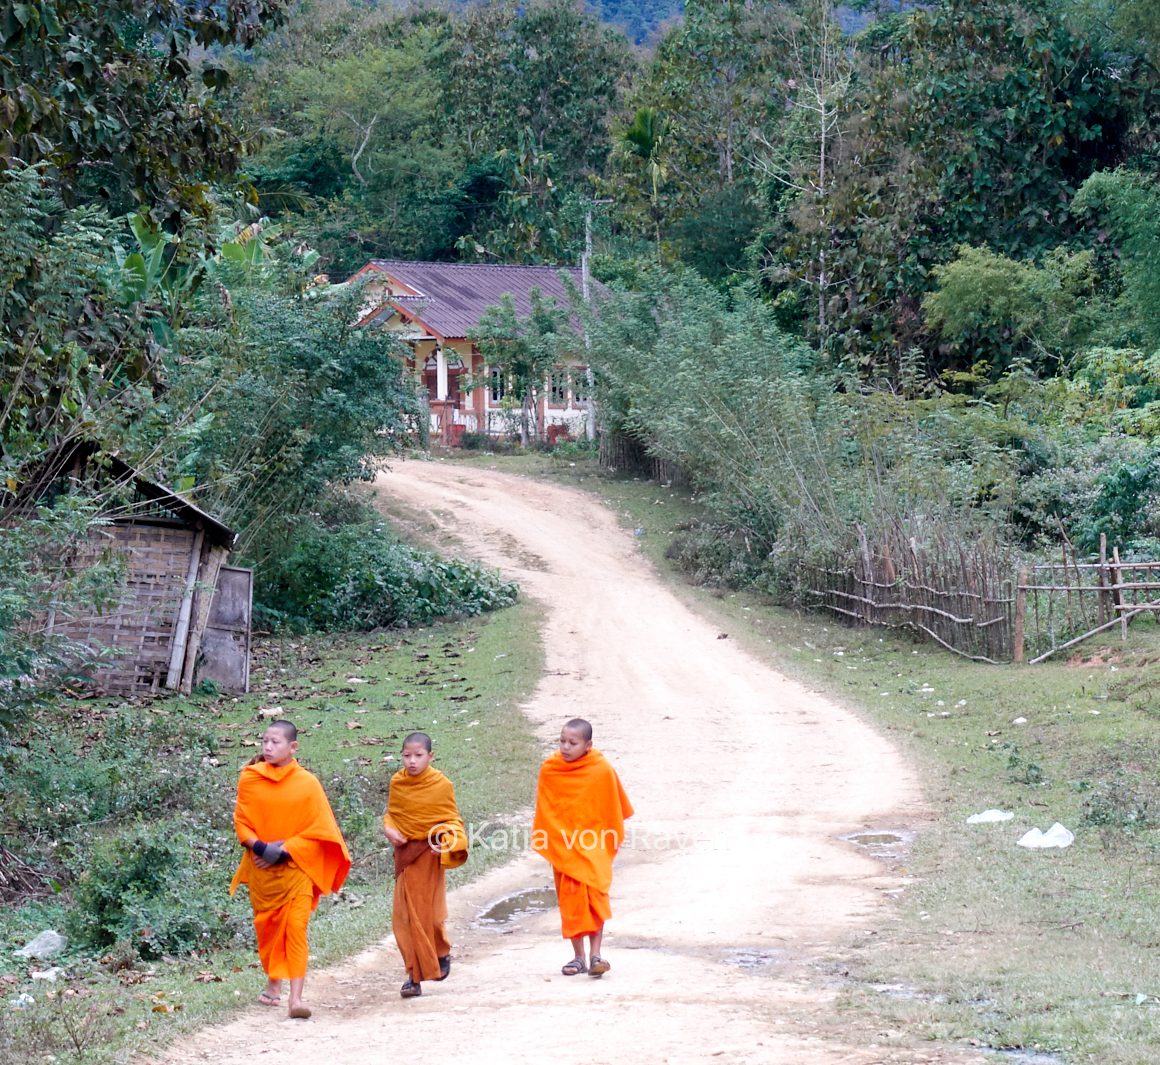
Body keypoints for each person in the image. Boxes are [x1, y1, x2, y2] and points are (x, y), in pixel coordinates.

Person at [230, 719, 351, 1020]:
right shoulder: (250, 778)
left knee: (296, 929)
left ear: (293, 747)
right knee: (268, 930)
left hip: (296, 870)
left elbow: (320, 830)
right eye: (265, 741)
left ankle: (295, 999)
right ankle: (273, 984)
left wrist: (283, 851)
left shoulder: (307, 784)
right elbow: (242, 822)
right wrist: (261, 848)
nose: (268, 747)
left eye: (276, 742)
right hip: (262, 873)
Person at [532, 717, 633, 978]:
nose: (565, 747)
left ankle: (596, 954)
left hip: (594, 845)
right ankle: (577, 957)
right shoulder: (551, 768)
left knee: (595, 897)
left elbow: (611, 807)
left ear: (588, 745)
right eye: (562, 741)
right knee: (571, 899)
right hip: (564, 845)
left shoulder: (600, 769)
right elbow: (547, 808)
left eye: (572, 743)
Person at [382, 731, 469, 999]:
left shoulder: (441, 784)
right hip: (406, 858)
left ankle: (441, 952)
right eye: (407, 756)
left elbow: (452, 820)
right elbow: (393, 815)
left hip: (429, 857)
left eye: (418, 756)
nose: (412, 761)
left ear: (430, 756)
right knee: (405, 921)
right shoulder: (398, 782)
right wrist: (388, 829)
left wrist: (445, 842)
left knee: (430, 918)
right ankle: (413, 976)